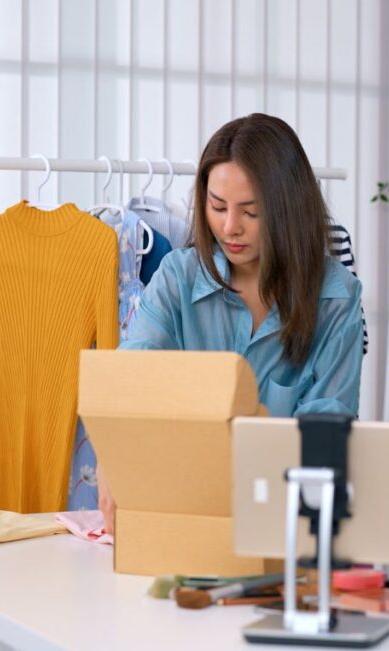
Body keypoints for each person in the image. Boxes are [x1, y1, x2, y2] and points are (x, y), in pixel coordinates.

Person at [98, 113, 364, 532]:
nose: (229, 227)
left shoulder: (336, 297)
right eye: (217, 206)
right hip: (181, 512)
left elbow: (326, 431)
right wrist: (115, 457)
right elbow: (134, 377)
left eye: (251, 212)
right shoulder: (176, 277)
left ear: (288, 210)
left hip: (283, 520)